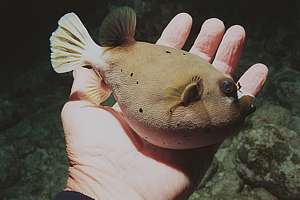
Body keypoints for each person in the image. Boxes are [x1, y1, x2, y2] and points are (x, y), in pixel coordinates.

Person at [54, 13, 268, 200]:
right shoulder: (195, 98)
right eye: (229, 89)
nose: (243, 97)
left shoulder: (222, 116)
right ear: (192, 94)